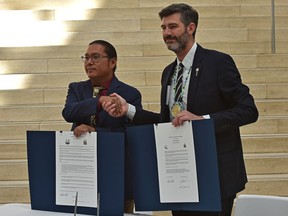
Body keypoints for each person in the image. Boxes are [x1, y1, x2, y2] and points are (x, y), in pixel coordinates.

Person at [103, 3, 258, 216]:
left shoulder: (218, 62)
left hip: (215, 173)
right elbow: (169, 122)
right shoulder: (168, 72)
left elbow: (248, 109)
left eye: (172, 27)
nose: (166, 33)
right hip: (179, 173)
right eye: (163, 28)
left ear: (190, 28)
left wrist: (203, 120)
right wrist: (128, 110)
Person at [62, 39, 142, 213]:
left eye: (96, 57)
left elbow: (129, 135)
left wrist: (95, 132)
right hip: (80, 172)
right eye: (86, 58)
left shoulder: (130, 94)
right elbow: (68, 113)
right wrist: (98, 101)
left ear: (113, 62)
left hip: (116, 173)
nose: (89, 62)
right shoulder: (76, 89)